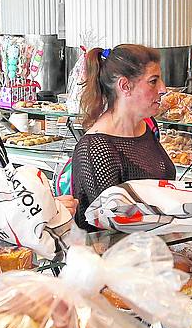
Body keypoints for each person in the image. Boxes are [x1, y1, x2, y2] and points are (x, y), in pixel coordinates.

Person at [69, 45, 175, 230]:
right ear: (125, 86)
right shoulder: (96, 148)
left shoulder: (148, 126)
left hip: (152, 249)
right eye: (153, 81)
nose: (163, 89)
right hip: (113, 255)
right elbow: (114, 224)